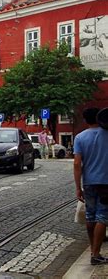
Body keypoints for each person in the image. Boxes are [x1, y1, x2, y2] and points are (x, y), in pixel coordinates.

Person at [73, 107, 108, 265]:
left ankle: (92, 246)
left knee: (90, 216)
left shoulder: (80, 137)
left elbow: (77, 163)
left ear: (86, 120)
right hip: (106, 182)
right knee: (102, 217)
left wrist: (78, 187)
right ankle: (95, 253)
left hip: (89, 182)